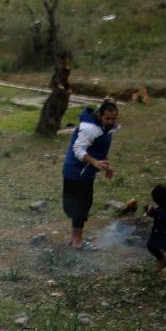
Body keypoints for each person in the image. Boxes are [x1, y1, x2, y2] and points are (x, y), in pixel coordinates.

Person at [62, 100, 120, 249]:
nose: (111, 122)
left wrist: (107, 168)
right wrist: (95, 163)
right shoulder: (90, 129)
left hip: (86, 172)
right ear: (100, 115)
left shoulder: (107, 128)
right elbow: (78, 150)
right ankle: (77, 241)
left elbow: (100, 150)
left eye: (114, 118)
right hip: (76, 172)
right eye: (108, 118)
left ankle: (76, 238)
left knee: (83, 204)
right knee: (79, 205)